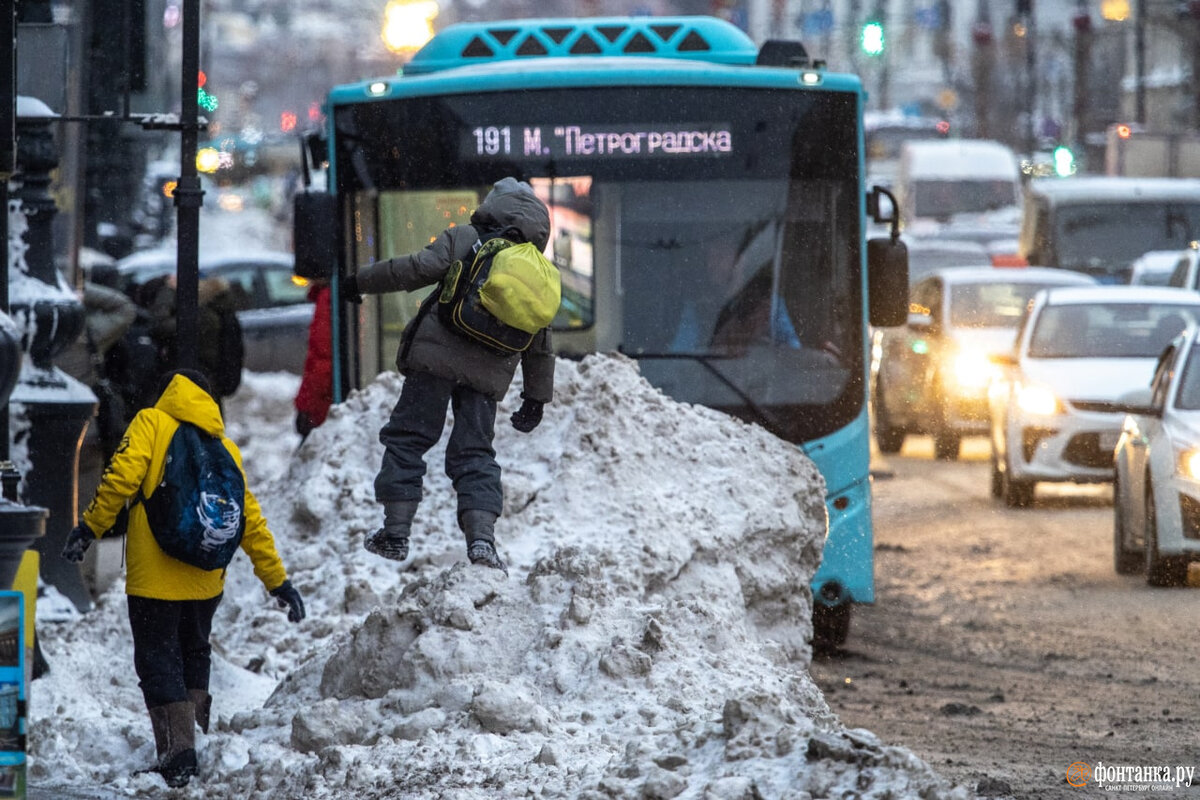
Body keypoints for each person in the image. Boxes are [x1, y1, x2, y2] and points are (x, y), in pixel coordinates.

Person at [61, 369, 305, 788]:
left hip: (155, 576)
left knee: (158, 659)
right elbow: (250, 521)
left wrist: (90, 528)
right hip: (205, 579)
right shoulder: (222, 445)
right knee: (194, 652)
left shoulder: (152, 423)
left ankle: (178, 757)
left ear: (170, 393)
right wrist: (277, 581)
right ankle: (195, 747)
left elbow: (122, 477)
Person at [340, 177, 555, 574]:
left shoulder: (467, 238)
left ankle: (395, 532)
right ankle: (482, 542)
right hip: (487, 376)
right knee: (475, 454)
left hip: (435, 363)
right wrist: (536, 398)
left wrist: (359, 281)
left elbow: (414, 269)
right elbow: (540, 341)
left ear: (495, 206)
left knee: (408, 439)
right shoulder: (538, 269)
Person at [293, 280, 332, 442]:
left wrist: (309, 408)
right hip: (319, 400)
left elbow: (321, 360)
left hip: (320, 405)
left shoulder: (326, 297)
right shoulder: (325, 295)